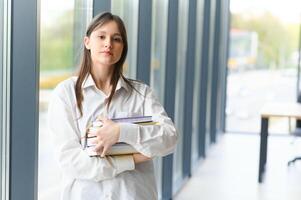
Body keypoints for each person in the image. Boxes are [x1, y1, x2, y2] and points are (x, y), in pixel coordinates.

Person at [48, 12, 177, 200]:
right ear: (87, 42)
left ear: (122, 47)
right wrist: (130, 160)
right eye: (101, 36)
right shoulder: (66, 93)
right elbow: (70, 160)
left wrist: (122, 132)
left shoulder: (141, 93)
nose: (108, 43)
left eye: (116, 39)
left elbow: (169, 138)